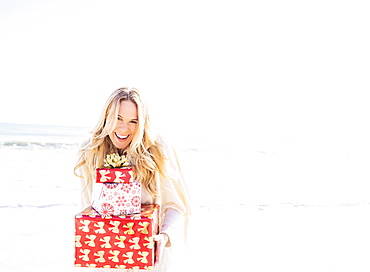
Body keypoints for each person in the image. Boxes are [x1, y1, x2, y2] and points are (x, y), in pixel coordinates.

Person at [74, 87, 191, 272]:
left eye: (133, 121)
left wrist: (165, 236)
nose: (123, 128)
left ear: (142, 123)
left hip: (150, 257)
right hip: (109, 254)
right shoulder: (90, 151)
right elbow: (89, 208)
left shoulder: (158, 149)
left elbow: (177, 206)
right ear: (106, 116)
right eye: (118, 118)